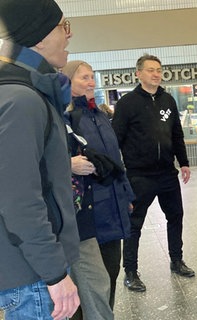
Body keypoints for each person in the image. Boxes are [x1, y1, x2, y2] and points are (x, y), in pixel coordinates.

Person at [0, 1, 81, 319]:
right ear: (39, 35)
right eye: (64, 26)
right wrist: (54, 274)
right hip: (34, 276)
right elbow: (19, 200)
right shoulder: (22, 100)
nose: (68, 36)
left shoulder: (30, 93)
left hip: (33, 269)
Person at [112, 54, 195, 292]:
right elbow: (115, 138)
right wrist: (118, 171)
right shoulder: (127, 103)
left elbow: (177, 133)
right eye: (150, 70)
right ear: (138, 74)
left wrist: (184, 162)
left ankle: (177, 260)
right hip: (139, 175)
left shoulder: (168, 100)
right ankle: (130, 271)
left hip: (167, 173)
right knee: (134, 224)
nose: (156, 74)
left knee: (175, 217)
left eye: (159, 70)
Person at [61, 60, 135, 315]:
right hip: (89, 210)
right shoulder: (66, 116)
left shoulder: (101, 116)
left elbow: (116, 160)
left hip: (114, 204)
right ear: (68, 82)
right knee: (92, 280)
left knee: (111, 273)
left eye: (92, 77)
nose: (91, 82)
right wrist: (67, 163)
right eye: (83, 77)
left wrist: (126, 193)